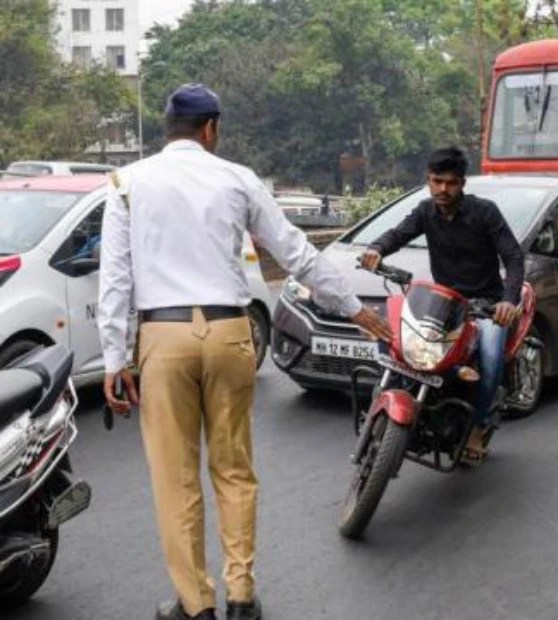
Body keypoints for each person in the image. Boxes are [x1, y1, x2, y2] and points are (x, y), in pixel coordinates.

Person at [97, 83, 391, 620]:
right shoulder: (238, 179)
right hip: (232, 334)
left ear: (169, 130)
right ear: (211, 129)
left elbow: (115, 280)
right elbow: (298, 254)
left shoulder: (126, 184)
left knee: (176, 479)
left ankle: (195, 604)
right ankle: (240, 595)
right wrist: (356, 309)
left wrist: (114, 360)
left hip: (162, 339)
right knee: (234, 471)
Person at [359, 147, 524, 464]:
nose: (443, 190)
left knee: (490, 360)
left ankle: (478, 427)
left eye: (450, 183)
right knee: (391, 337)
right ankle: (389, 398)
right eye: (437, 182)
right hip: (443, 305)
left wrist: (508, 300)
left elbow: (514, 258)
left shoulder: (485, 212)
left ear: (462, 183)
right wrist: (377, 249)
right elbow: (398, 234)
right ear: (428, 181)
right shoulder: (425, 212)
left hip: (484, 307)